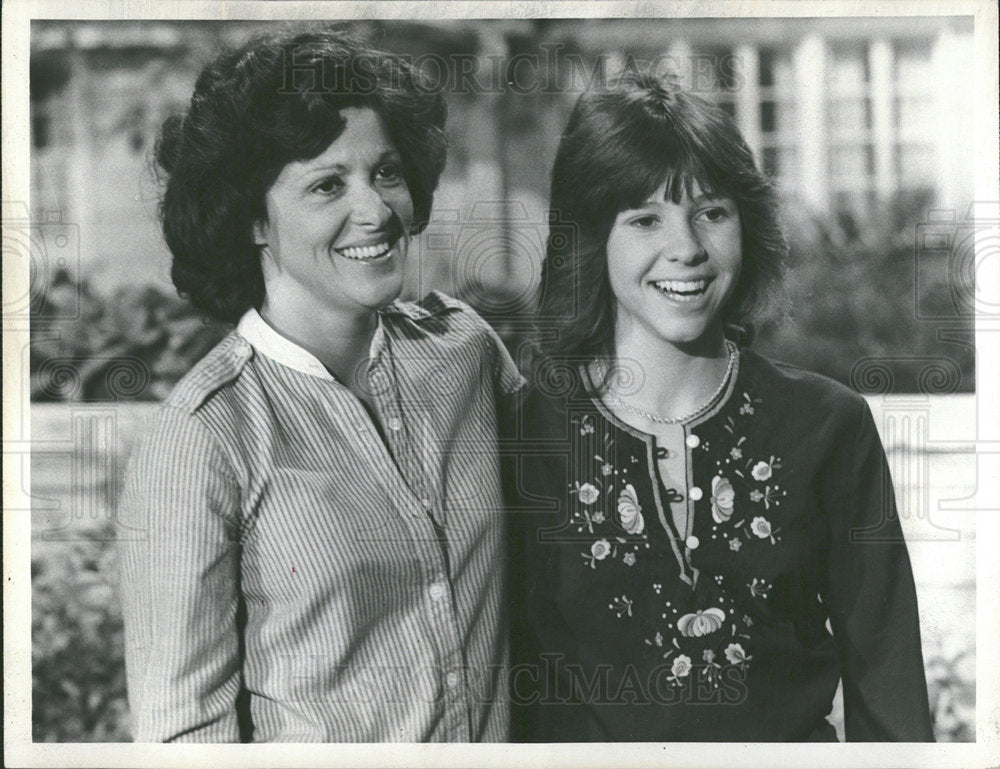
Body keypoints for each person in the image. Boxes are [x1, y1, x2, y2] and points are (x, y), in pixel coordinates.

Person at [118, 27, 522, 742]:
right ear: (250, 219)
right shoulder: (204, 436)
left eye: (386, 172)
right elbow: (183, 735)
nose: (374, 211)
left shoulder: (465, 352)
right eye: (327, 184)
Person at [506, 70, 935, 742]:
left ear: (748, 223)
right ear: (593, 238)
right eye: (644, 218)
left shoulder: (828, 424)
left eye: (711, 211)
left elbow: (890, 684)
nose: (686, 247)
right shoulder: (526, 431)